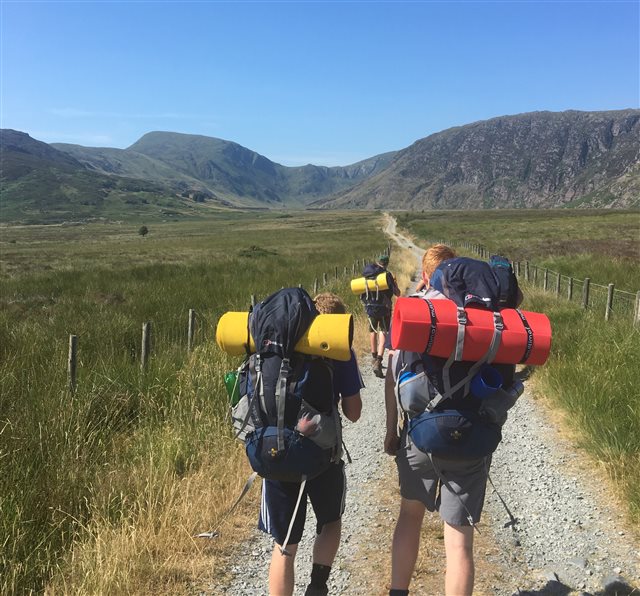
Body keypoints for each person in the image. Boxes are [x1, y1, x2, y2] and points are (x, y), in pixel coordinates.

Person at [383, 244, 519, 596]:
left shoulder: (419, 311)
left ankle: (398, 591)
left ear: (429, 275)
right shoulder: (493, 314)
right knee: (460, 543)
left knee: (410, 516)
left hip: (420, 434)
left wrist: (391, 429)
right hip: (472, 436)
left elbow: (395, 373)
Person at [260, 292, 364, 596]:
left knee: (284, 545)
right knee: (330, 522)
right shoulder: (341, 352)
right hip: (323, 457)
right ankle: (317, 586)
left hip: (277, 453)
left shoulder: (278, 347)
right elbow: (354, 413)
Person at [361, 254, 400, 379]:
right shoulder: (387, 275)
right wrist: (395, 283)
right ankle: (378, 360)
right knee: (383, 332)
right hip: (384, 309)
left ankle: (373, 357)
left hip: (370, 307)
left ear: (377, 262)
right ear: (387, 263)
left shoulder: (367, 274)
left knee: (372, 331)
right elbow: (397, 293)